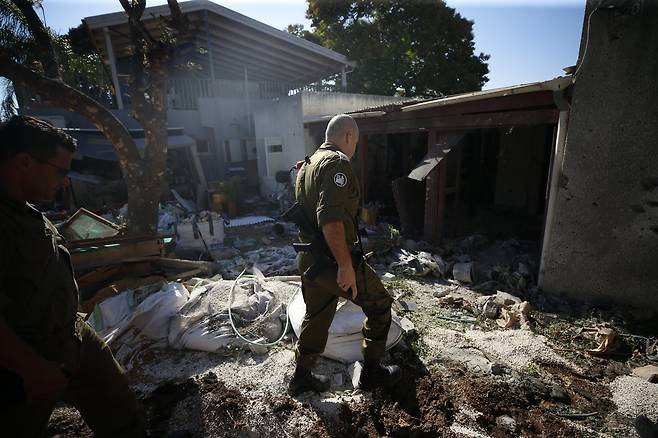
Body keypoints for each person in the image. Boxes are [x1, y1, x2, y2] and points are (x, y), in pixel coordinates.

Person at [0, 116, 145, 437]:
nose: (66, 181)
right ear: (24, 162)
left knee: (119, 407)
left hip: (70, 335)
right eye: (60, 171)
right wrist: (31, 369)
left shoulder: (25, 209)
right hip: (25, 355)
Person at [288, 114, 401, 395]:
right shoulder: (337, 163)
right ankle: (372, 373)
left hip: (309, 260)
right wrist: (345, 265)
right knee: (379, 305)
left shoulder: (307, 165)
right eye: (357, 141)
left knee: (316, 316)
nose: (355, 147)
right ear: (349, 136)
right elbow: (330, 220)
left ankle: (301, 376)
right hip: (331, 260)